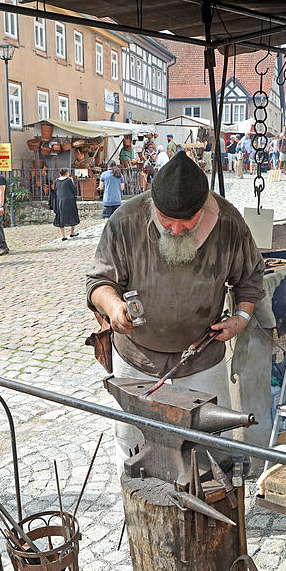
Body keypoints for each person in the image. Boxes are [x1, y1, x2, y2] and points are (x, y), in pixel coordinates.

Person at [86, 152, 265, 475]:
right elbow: (99, 282)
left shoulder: (228, 223)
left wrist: (241, 318)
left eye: (187, 221)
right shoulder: (126, 221)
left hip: (201, 359)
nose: (176, 229)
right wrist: (113, 307)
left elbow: (250, 278)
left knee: (210, 458)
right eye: (167, 220)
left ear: (203, 207)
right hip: (137, 361)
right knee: (135, 453)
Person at [52, 167, 80, 238]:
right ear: (66, 173)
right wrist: (72, 181)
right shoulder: (68, 180)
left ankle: (63, 236)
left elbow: (55, 191)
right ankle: (72, 232)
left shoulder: (57, 181)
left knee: (61, 217)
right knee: (73, 215)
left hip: (59, 201)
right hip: (69, 201)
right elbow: (74, 190)